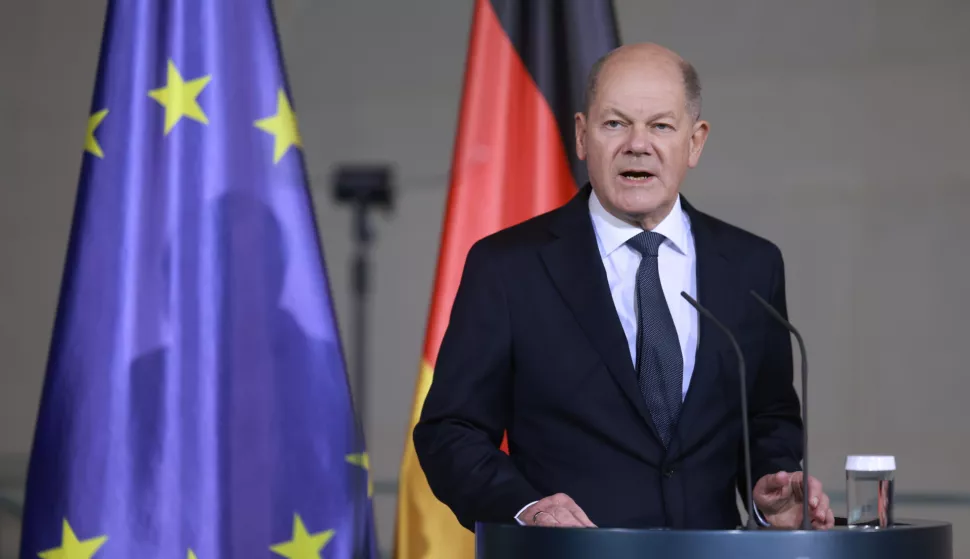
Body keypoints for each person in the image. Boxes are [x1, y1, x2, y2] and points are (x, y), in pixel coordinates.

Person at [412, 42, 834, 531]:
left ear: (695, 142)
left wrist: (770, 492)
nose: (638, 144)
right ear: (581, 136)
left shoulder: (752, 267)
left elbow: (768, 417)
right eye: (615, 124)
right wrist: (526, 510)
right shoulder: (508, 267)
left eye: (661, 126)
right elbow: (450, 430)